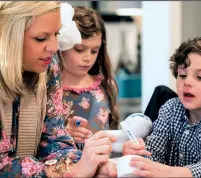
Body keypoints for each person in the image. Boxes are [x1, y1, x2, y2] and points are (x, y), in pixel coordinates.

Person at [0, 2, 117, 177]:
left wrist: (90, 166)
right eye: (41, 38)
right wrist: (68, 171)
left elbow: (54, 141)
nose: (54, 47)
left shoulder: (48, 65)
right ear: (6, 33)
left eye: (57, 33)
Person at [128, 37, 201, 177]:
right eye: (182, 75)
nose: (187, 82)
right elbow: (154, 151)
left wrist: (162, 171)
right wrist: (139, 155)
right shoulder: (171, 108)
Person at [58, 6, 151, 157]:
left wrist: (125, 148)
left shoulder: (105, 87)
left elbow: (114, 137)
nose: (87, 58)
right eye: (79, 49)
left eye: (94, 51)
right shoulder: (48, 90)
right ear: (61, 45)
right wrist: (63, 134)